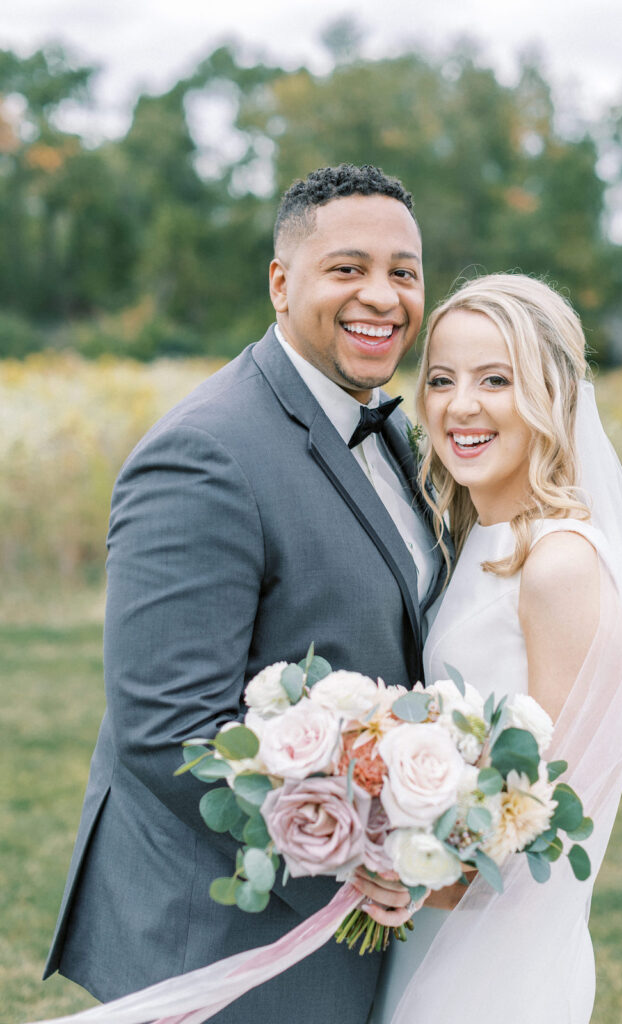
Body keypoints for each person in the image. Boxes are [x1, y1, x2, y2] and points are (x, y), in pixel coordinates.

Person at [43, 164, 444, 1024]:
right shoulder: (204, 454)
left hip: (355, 927)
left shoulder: (401, 432)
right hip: (230, 943)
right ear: (280, 281)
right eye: (348, 268)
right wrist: (357, 851)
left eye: (403, 272)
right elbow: (169, 730)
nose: (382, 296)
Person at [369, 273, 622, 1024]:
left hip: (497, 958)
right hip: (437, 928)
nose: (461, 405)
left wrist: (417, 873)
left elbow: (560, 808)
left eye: (496, 379)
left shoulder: (559, 563)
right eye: (441, 379)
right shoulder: (476, 540)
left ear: (553, 396)